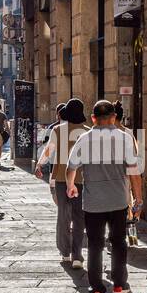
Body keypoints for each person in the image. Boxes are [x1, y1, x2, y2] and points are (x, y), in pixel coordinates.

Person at [66, 98, 142, 293]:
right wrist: (139, 200)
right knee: (118, 243)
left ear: (93, 119)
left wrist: (71, 186)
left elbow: (71, 168)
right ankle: (118, 285)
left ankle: (96, 291)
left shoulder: (83, 139)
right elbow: (134, 173)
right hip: (118, 202)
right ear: (114, 118)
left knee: (95, 245)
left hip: (92, 203)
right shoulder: (125, 139)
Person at [37, 98, 89, 267]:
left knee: (63, 215)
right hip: (82, 179)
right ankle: (77, 256)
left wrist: (39, 164)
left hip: (61, 179)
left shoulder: (58, 130)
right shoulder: (89, 131)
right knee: (79, 218)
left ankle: (65, 253)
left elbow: (49, 150)